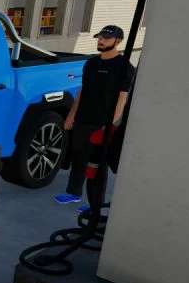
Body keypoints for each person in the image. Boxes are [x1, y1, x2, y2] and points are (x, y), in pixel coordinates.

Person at [54, 24, 135, 205]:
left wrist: (112, 125)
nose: (101, 41)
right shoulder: (91, 63)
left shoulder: (124, 67)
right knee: (78, 157)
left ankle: (94, 205)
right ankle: (73, 193)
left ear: (118, 41)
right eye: (100, 37)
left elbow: (122, 98)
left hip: (103, 123)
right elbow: (82, 91)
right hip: (83, 119)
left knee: (97, 164)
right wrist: (71, 116)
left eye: (106, 38)